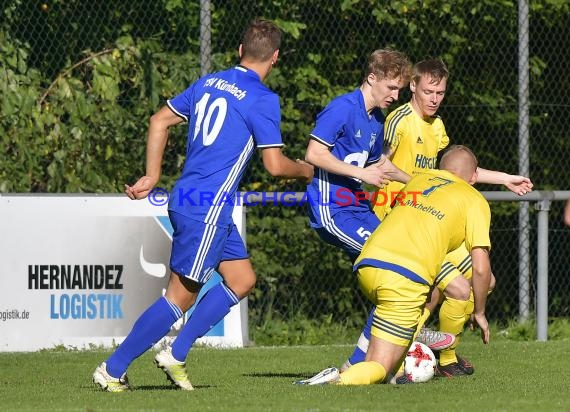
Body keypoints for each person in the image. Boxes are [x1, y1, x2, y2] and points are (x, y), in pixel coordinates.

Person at [92, 18, 313, 392]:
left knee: (242, 280)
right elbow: (275, 166)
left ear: (241, 51)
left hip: (195, 201)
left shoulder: (209, 81)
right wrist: (308, 170)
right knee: (179, 298)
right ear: (275, 58)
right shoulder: (262, 99)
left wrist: (151, 175)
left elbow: (159, 120)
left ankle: (175, 353)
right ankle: (113, 369)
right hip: (207, 209)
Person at [343, 58, 533, 378]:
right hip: (403, 225)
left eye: (440, 93)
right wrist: (417, 184)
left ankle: (431, 352)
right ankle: (424, 353)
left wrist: (504, 178)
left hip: (437, 222)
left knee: (481, 283)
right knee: (454, 289)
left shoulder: (438, 126)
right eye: (429, 91)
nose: (434, 98)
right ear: (412, 87)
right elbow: (379, 167)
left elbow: (456, 173)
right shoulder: (399, 121)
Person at [296, 145, 492, 385]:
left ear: (441, 168)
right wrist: (479, 312)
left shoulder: (419, 181)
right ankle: (336, 380)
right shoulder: (474, 199)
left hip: (369, 261)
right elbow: (481, 268)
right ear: (473, 177)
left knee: (390, 355)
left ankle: (396, 353)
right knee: (379, 367)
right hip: (403, 277)